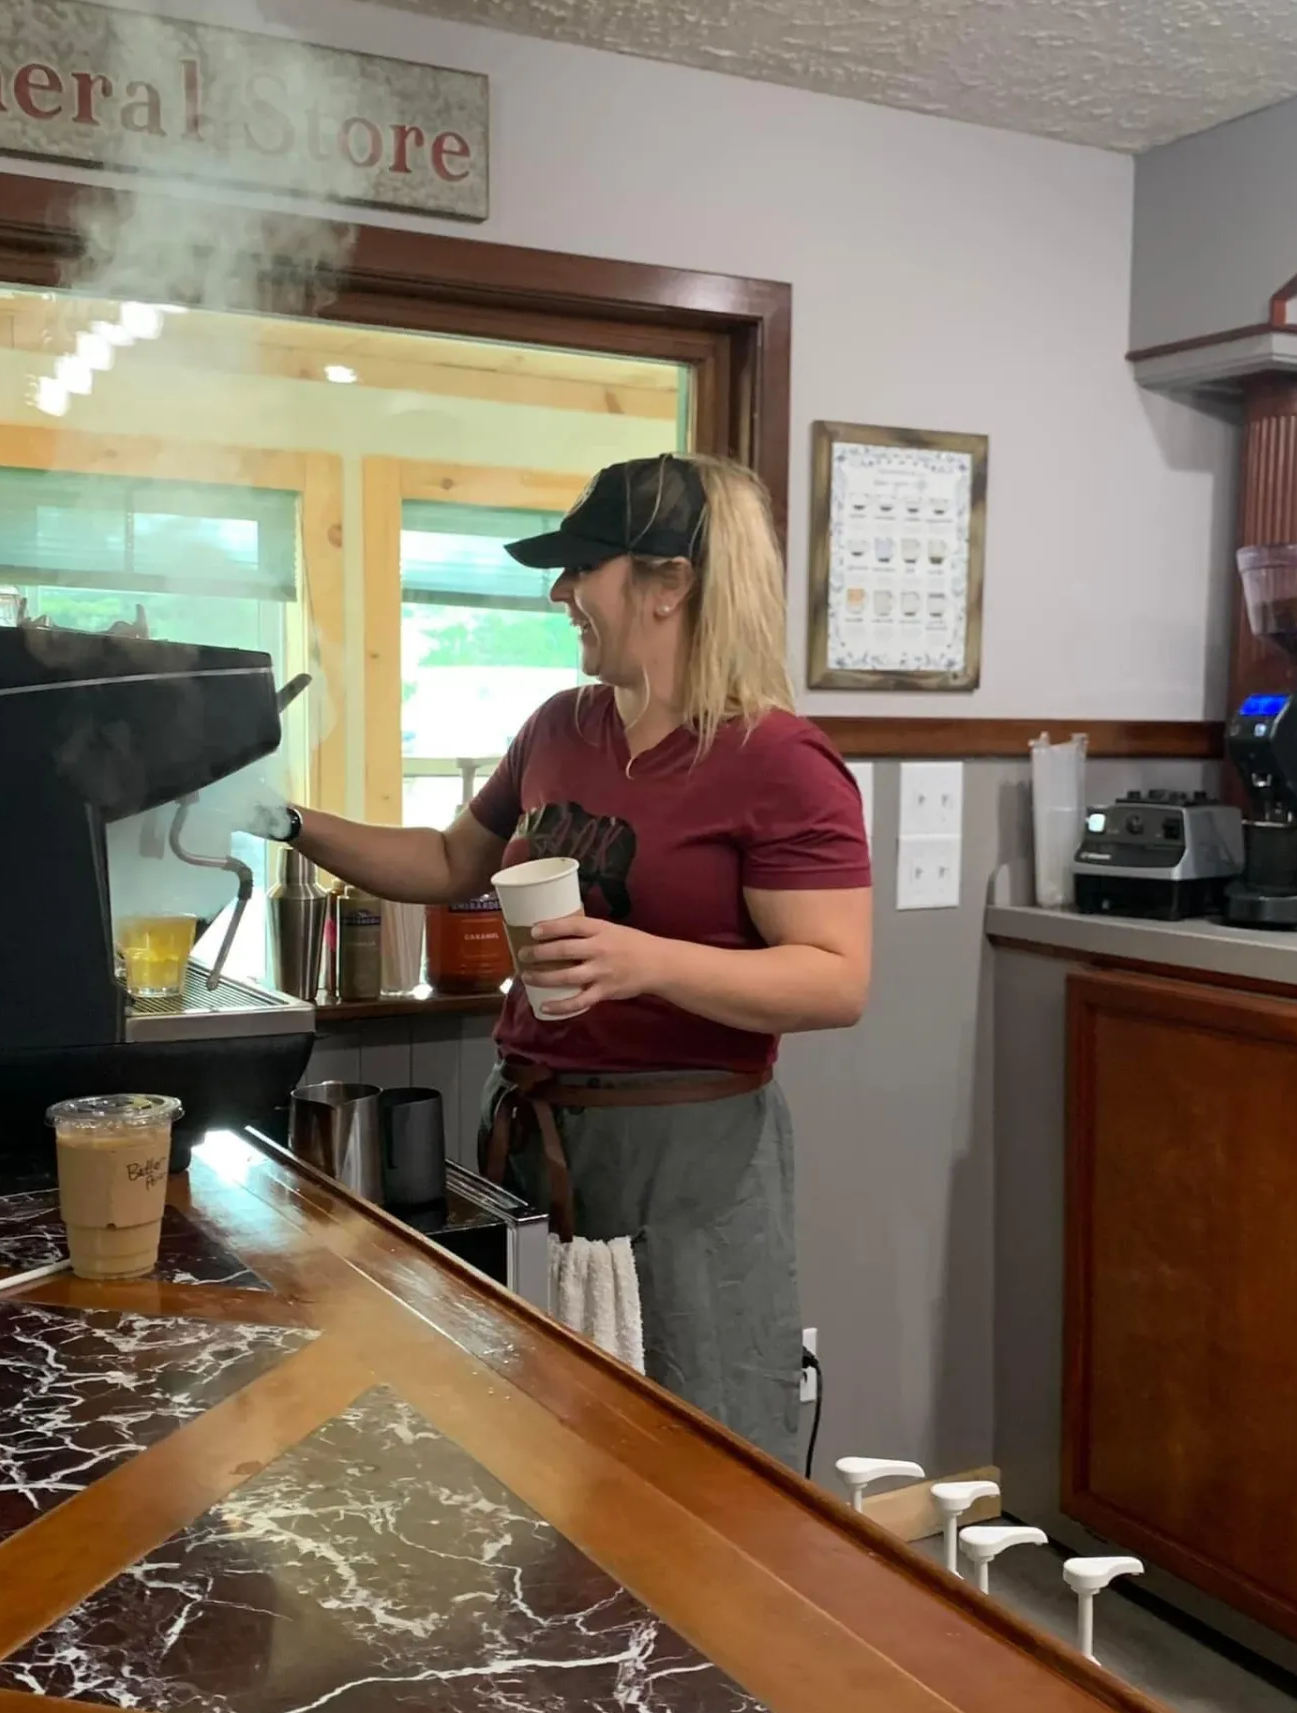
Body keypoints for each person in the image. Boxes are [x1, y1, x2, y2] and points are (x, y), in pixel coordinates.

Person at [271, 453, 871, 1464]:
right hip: (539, 1134)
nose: (559, 593)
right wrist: (286, 820)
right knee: (545, 1438)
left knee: (697, 1444)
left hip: (690, 1155)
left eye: (581, 569)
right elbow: (449, 858)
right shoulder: (561, 726)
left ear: (668, 585)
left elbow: (834, 976)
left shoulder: (778, 763)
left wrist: (646, 961)